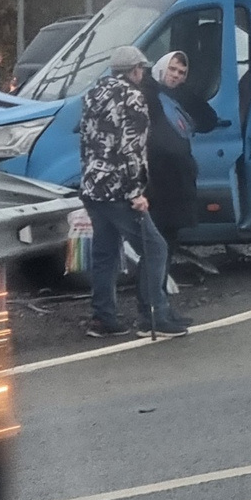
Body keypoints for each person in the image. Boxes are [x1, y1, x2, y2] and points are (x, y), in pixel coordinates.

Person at [78, 45, 188, 339]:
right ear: (135, 70)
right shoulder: (133, 98)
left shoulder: (93, 94)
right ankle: (153, 314)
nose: (142, 73)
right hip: (119, 189)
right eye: (141, 68)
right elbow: (132, 149)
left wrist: (89, 176)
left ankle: (104, 318)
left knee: (105, 251)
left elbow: (86, 140)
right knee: (155, 247)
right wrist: (136, 191)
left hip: (92, 185)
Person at [140, 51, 202, 270]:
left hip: (174, 181)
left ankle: (159, 288)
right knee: (156, 239)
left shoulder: (178, 97)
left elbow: (207, 118)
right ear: (161, 66)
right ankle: (155, 293)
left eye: (181, 73)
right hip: (156, 180)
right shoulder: (147, 93)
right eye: (173, 69)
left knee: (167, 237)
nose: (175, 75)